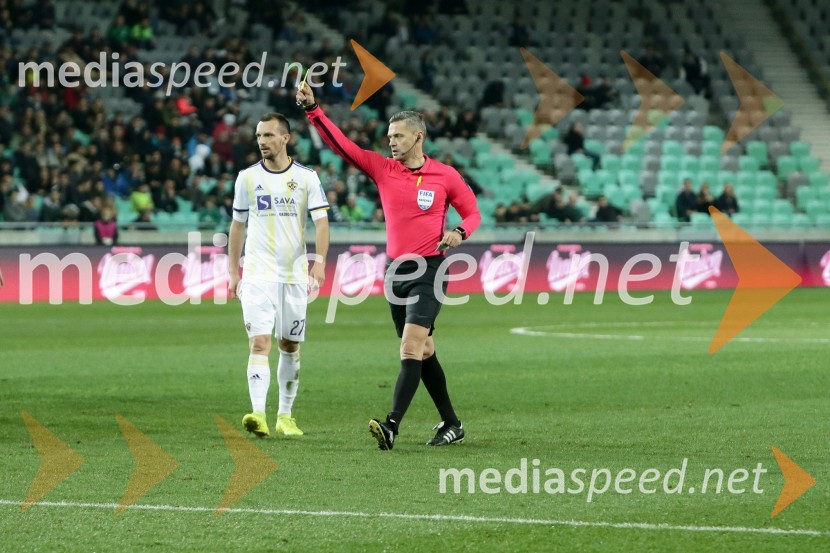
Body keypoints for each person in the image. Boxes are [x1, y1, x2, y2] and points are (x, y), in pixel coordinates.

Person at [297, 82, 481, 450]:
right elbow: (343, 146)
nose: (391, 142)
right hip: (396, 272)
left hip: (429, 270)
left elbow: (473, 212)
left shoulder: (444, 175)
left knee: (410, 349)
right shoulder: (383, 169)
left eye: (398, 136)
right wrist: (313, 110)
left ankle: (392, 425)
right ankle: (452, 423)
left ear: (418, 137)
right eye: (389, 136)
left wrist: (460, 231)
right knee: (424, 350)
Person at [228, 112, 330, 439]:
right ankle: (258, 413)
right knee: (259, 342)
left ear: (285, 138)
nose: (262, 141)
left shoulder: (306, 178)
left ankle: (285, 415)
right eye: (259, 136)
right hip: (258, 273)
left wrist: (320, 262)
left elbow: (322, 222)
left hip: (295, 276)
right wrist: (233, 270)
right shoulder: (246, 178)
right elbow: (238, 225)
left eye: (269, 136)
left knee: (289, 345)